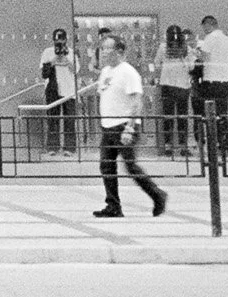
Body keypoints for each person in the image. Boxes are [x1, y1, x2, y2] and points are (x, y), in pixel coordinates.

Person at [92, 36, 167, 219]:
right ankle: (113, 206)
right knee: (107, 166)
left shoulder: (128, 72)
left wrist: (130, 127)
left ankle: (157, 194)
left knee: (131, 166)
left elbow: (136, 102)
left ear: (119, 51)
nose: (103, 52)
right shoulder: (106, 71)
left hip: (123, 126)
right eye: (102, 48)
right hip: (108, 127)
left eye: (107, 48)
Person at [192, 14, 228, 160]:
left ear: (209, 24)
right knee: (223, 112)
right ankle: (224, 139)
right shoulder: (227, 39)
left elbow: (205, 57)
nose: (203, 30)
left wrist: (197, 50)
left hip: (211, 81)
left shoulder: (210, 38)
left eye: (204, 27)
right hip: (225, 80)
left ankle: (216, 142)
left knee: (210, 113)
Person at [38, 28, 78, 156]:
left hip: (69, 91)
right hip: (53, 91)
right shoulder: (48, 52)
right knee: (53, 120)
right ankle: (52, 147)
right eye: (56, 41)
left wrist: (67, 60)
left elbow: (75, 70)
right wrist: (53, 61)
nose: (59, 43)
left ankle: (69, 148)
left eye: (61, 40)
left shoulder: (71, 53)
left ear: (66, 40)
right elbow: (44, 73)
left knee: (69, 120)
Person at [156, 24, 192, 157]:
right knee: (182, 117)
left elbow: (157, 63)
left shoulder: (162, 47)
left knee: (168, 116)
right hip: (183, 86)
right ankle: (183, 146)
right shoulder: (186, 48)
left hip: (167, 85)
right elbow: (191, 66)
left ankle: (168, 146)